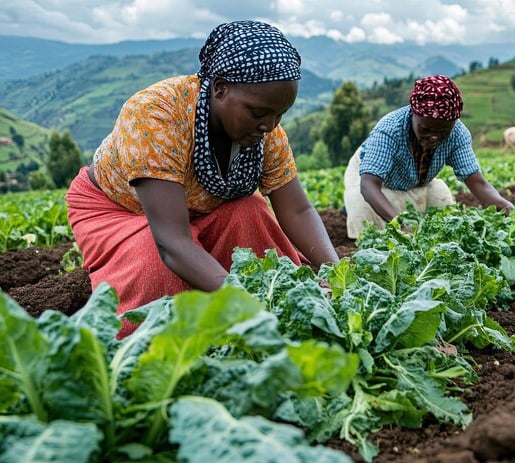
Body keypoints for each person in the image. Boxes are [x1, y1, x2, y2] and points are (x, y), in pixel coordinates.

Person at [65, 20, 339, 338]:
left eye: (279, 114)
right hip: (121, 211)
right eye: (257, 112)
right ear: (220, 88)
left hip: (201, 208)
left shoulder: (267, 133)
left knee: (251, 213)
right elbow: (172, 243)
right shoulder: (156, 115)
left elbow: (297, 210)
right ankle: (100, 326)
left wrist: (334, 272)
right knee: (156, 264)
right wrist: (246, 306)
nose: (269, 125)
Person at [343, 74, 514, 239]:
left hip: (418, 181)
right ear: (413, 114)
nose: (433, 137)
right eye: (426, 129)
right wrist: (399, 224)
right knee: (364, 212)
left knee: (444, 218)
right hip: (373, 180)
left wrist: (503, 205)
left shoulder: (457, 134)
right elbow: (369, 185)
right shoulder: (389, 131)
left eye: (442, 132)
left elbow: (476, 181)